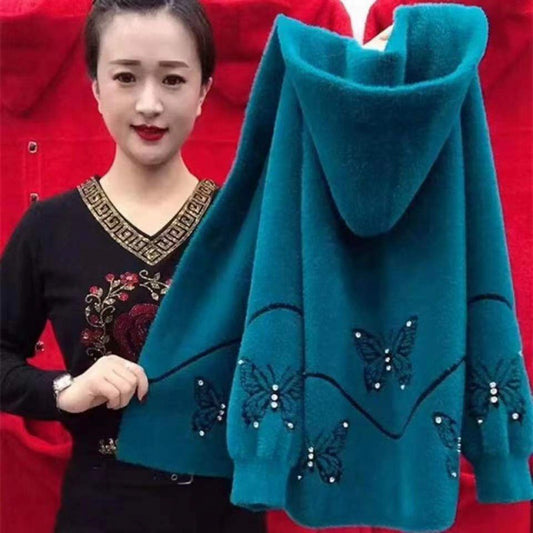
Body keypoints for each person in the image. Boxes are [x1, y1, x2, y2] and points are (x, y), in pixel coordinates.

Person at [0, 1, 266, 531]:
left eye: (173, 79)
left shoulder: (246, 226)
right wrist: (65, 390)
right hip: (100, 511)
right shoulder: (49, 229)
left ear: (203, 91)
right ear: (96, 88)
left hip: (226, 516)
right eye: (125, 77)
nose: (149, 104)